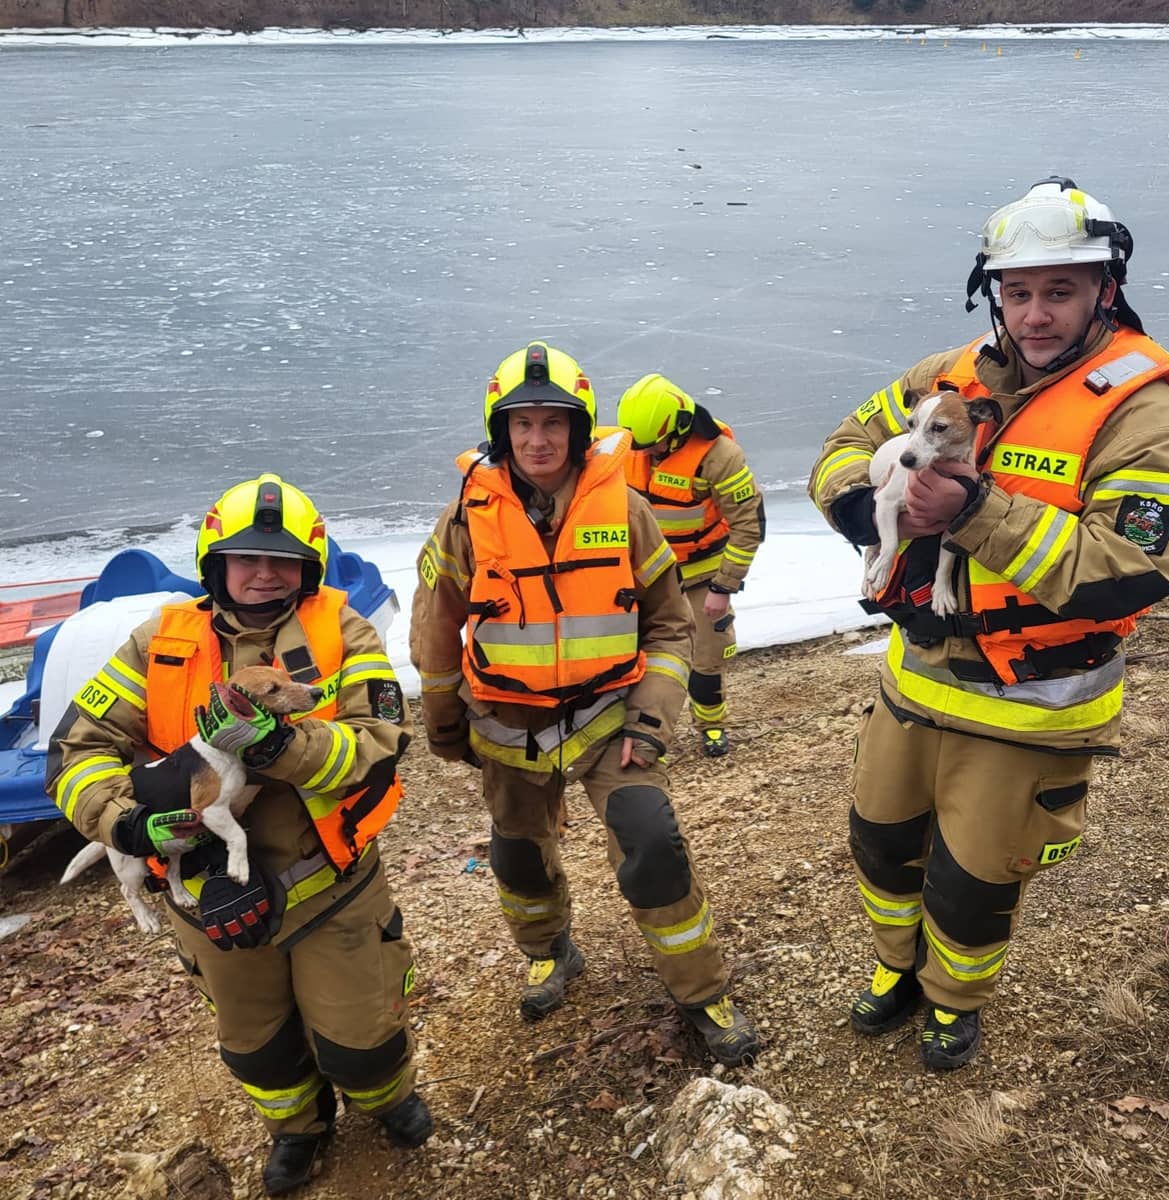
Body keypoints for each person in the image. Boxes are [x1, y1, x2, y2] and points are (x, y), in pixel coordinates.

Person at [809, 177, 1169, 1070]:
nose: (1033, 315)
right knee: (879, 842)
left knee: (975, 878)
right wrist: (874, 518)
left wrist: (971, 512)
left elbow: (1137, 566)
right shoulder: (942, 378)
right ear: (993, 293)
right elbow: (840, 446)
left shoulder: (1141, 410)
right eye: (1017, 292)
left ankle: (953, 1001)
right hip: (914, 680)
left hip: (1033, 700)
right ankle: (891, 970)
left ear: (1104, 289)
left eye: (1058, 291)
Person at [46, 474, 432, 1194]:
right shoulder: (159, 642)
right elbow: (77, 750)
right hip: (209, 896)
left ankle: (387, 1098)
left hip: (332, 888)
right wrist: (124, 824)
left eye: (282, 560)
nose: (262, 573)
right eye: (244, 556)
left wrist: (273, 748)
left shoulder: (343, 629)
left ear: (307, 567)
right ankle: (298, 1129)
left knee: (364, 1042)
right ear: (213, 561)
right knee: (257, 1050)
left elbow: (376, 743)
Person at [409, 341, 759, 1067]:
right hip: (508, 727)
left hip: (610, 719)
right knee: (518, 858)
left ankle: (701, 993)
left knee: (652, 843)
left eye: (554, 423)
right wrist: (444, 724)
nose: (539, 439)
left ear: (578, 426)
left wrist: (652, 718)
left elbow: (668, 623)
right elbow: (435, 628)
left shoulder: (625, 508)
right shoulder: (463, 520)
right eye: (522, 424)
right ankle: (549, 954)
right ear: (499, 429)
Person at [616, 374, 766, 758]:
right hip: (645, 572)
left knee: (706, 657)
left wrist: (723, 587)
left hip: (702, 572)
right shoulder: (626, 444)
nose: (649, 454)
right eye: (642, 448)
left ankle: (712, 724)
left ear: (680, 427)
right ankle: (639, 730)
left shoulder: (720, 457)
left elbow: (748, 526)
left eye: (657, 446)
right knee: (630, 656)